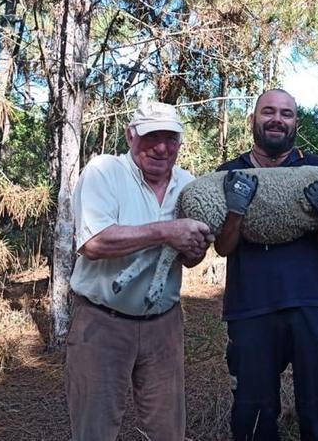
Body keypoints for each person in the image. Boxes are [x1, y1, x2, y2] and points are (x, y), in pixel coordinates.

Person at [66, 100, 213, 441]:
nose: (161, 148)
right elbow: (95, 243)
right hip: (102, 325)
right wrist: (166, 231)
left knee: (168, 430)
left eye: (171, 138)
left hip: (164, 326)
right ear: (130, 136)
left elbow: (190, 259)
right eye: (151, 136)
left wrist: (194, 247)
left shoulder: (188, 184)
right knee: (94, 430)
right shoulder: (104, 172)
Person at [214, 89, 318, 440]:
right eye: (268, 112)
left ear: (295, 123)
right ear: (253, 119)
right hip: (250, 308)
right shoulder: (228, 173)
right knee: (252, 417)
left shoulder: (317, 169)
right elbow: (224, 247)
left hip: (312, 304)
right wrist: (235, 210)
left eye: (286, 114)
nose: (277, 119)